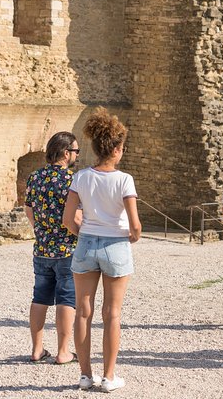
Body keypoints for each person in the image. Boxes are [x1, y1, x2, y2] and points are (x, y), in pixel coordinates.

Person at [63, 107, 141, 392]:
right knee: (112, 313)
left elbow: (68, 219)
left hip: (86, 243)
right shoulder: (124, 180)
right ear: (118, 149)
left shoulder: (81, 177)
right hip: (115, 245)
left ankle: (85, 375)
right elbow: (135, 224)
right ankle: (109, 377)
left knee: (83, 312)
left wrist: (83, 234)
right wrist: (132, 237)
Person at [24, 131, 81, 364]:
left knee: (39, 298)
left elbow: (28, 210)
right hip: (66, 250)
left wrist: (41, 230)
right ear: (66, 153)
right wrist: (82, 236)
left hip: (42, 249)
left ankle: (37, 349)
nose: (77, 155)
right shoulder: (71, 180)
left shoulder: (35, 177)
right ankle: (63, 351)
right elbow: (74, 218)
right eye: (76, 151)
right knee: (66, 300)